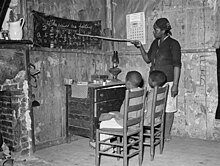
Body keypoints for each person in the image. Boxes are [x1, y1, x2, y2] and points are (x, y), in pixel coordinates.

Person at [131, 18, 182, 141]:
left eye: (156, 29)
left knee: (168, 109)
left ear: (164, 30)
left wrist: (175, 85)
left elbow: (177, 65)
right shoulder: (155, 43)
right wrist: (140, 47)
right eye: (154, 29)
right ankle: (153, 133)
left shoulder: (173, 44)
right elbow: (148, 59)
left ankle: (166, 135)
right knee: (152, 108)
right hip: (153, 82)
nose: (154, 32)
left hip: (168, 82)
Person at [89, 70, 144, 149]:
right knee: (112, 115)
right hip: (137, 122)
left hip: (127, 123)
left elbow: (124, 115)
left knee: (104, 123)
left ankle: (104, 147)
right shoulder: (141, 92)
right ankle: (112, 144)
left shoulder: (130, 95)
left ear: (128, 83)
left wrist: (115, 115)